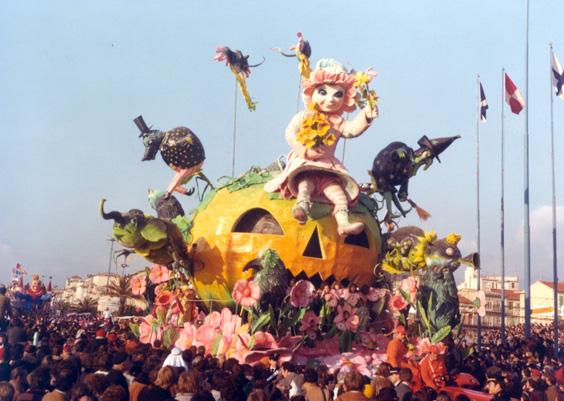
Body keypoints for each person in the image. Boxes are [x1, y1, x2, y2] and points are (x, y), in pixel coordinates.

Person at [265, 58, 379, 236]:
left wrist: (366, 116)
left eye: (338, 94)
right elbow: (290, 133)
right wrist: (304, 150)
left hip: (328, 168)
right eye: (323, 92)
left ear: (346, 98)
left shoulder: (338, 122)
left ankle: (343, 223)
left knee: (338, 193)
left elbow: (352, 130)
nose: (330, 99)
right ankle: (302, 206)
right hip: (306, 163)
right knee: (305, 184)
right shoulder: (304, 116)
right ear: (312, 92)